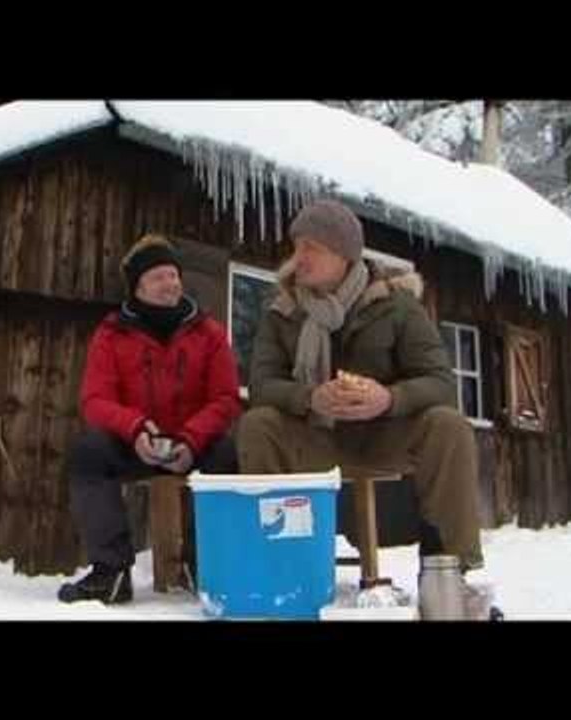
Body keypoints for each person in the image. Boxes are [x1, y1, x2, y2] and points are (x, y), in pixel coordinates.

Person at [238, 199, 493, 612]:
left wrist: (389, 398)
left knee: (448, 425)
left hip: (383, 435)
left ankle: (449, 573)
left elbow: (441, 382)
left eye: (312, 248)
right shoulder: (282, 309)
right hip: (314, 436)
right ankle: (279, 568)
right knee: (258, 423)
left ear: (344, 255)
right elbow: (263, 385)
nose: (299, 257)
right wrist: (310, 397)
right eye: (297, 245)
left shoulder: (396, 305)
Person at [58, 234, 242, 605]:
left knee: (225, 453)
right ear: (138, 287)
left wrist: (191, 439)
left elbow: (225, 399)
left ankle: (202, 564)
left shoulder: (209, 333)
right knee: (88, 453)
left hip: (193, 443)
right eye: (159, 277)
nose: (170, 284)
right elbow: (95, 400)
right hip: (134, 443)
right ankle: (110, 572)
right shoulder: (111, 333)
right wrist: (134, 427)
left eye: (174, 275)